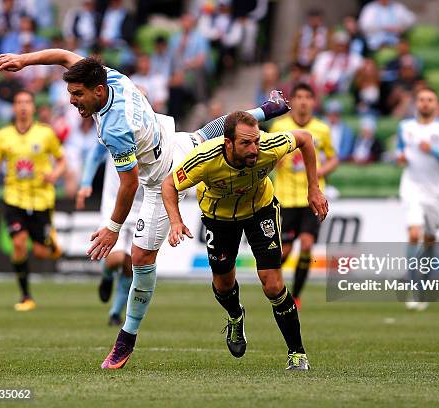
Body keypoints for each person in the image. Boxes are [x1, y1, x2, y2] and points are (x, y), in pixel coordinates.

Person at [0, 49, 290, 369]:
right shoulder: (112, 76)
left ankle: (125, 341)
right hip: (172, 140)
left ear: (98, 91)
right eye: (70, 93)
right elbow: (65, 56)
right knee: (206, 132)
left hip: (165, 180)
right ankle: (267, 108)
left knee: (141, 259)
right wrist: (25, 60)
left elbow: (130, 185)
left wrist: (112, 228)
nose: (73, 101)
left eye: (77, 95)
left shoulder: (115, 128)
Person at [76, 90, 290, 327]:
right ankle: (109, 284)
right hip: (117, 203)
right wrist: (86, 184)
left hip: (151, 202)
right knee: (115, 261)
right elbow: (106, 164)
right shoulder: (114, 131)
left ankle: (119, 318)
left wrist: (266, 110)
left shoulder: (167, 135)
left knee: (132, 261)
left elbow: (219, 127)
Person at [162, 111, 328, 370]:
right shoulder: (205, 158)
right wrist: (175, 221)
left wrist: (313, 188)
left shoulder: (269, 146)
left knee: (273, 285)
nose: (254, 149)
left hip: (260, 211)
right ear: (228, 143)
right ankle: (235, 316)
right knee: (223, 285)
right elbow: (169, 185)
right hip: (219, 219)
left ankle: (297, 353)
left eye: (256, 142)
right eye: (246, 144)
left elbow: (305, 139)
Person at [0, 90, 65, 311]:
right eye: (19, 102)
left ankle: (50, 241)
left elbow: (62, 161)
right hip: (14, 196)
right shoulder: (3, 135)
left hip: (41, 198)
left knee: (41, 252)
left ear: (33, 107)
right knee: (18, 243)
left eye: (27, 102)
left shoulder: (45, 134)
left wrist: (54, 175)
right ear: (14, 108)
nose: (23, 106)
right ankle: (26, 296)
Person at [269, 83, 338, 309]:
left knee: (307, 244)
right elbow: (268, 155)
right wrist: (275, 160)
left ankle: (296, 295)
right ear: (292, 101)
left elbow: (333, 158)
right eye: (298, 96)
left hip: (312, 197)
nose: (303, 101)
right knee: (286, 250)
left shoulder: (321, 129)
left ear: (313, 101)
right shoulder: (279, 126)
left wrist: (320, 171)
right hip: (285, 198)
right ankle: (272, 283)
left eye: (308, 97)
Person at [395, 88, 439, 311]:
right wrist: (400, 157)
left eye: (429, 100)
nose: (425, 103)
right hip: (411, 186)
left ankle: (424, 281)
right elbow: (399, 151)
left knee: (430, 239)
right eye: (421, 99)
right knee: (414, 234)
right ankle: (414, 288)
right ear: (416, 104)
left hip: (434, 191)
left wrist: (434, 150)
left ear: (436, 104)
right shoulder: (406, 127)